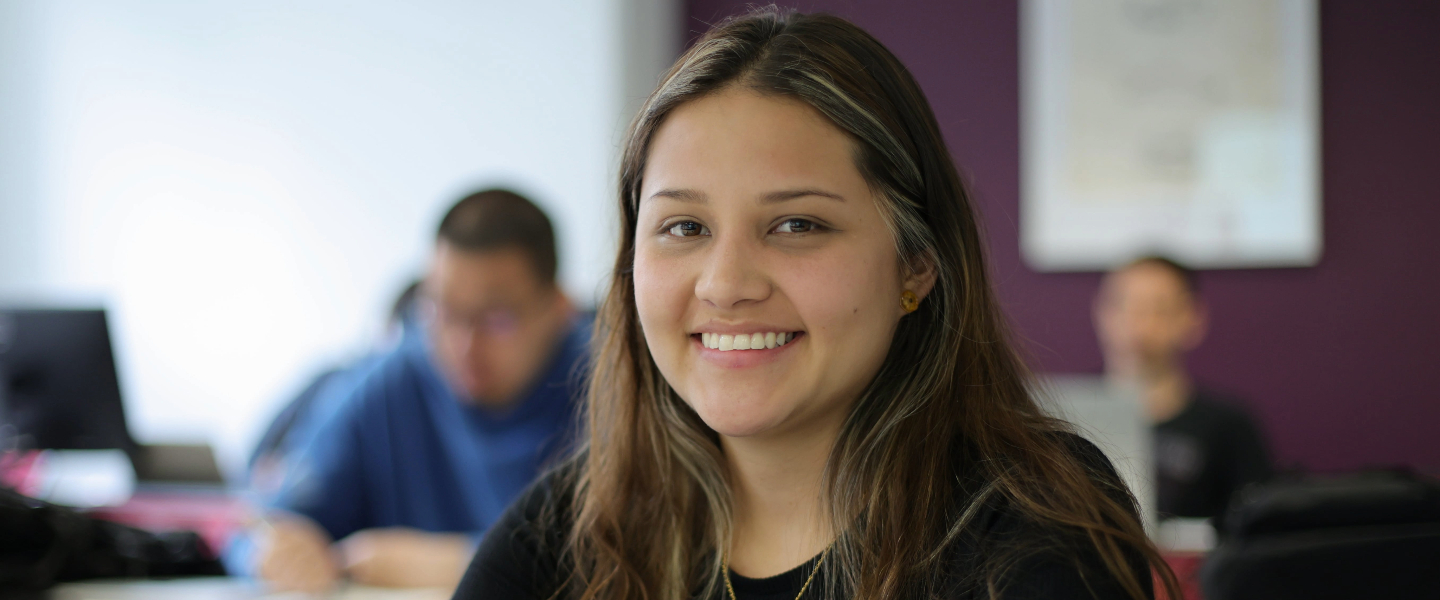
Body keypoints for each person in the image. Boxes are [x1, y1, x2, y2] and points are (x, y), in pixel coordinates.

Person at [455, 9, 1178, 600]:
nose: (725, 284)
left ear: (917, 266)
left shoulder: (1030, 520)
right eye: (685, 227)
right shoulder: (565, 536)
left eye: (797, 225)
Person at [243, 189, 590, 592]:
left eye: (496, 319)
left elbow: (627, 546)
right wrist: (283, 548)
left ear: (561, 308)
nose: (464, 345)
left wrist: (464, 564)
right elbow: (263, 523)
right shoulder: (391, 382)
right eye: (444, 312)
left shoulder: (614, 384)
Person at [1093, 256, 1271, 520]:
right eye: (1122, 305)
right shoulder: (1062, 419)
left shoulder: (1229, 427)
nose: (1138, 323)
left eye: (1158, 309)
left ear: (1192, 318)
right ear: (1100, 312)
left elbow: (1258, 525)